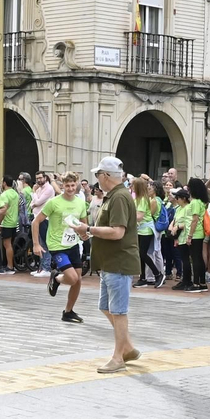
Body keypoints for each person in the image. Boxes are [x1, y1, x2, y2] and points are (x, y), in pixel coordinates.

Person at [83, 158, 140, 373]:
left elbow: (117, 232)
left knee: (118, 311)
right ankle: (128, 348)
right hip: (110, 262)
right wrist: (89, 231)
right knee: (106, 307)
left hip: (119, 262)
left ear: (105, 175)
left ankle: (118, 357)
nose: (96, 179)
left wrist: (89, 230)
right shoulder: (114, 196)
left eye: (98, 174)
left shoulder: (119, 197)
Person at [35, 173, 89, 321]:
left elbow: (83, 224)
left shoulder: (80, 203)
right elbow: (36, 222)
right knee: (72, 278)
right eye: (67, 186)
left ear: (76, 185)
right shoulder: (54, 202)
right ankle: (57, 278)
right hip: (57, 245)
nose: (70, 188)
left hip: (72, 244)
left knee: (78, 280)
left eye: (73, 185)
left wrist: (84, 234)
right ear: (62, 185)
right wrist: (36, 244)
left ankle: (68, 312)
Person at [131, 176, 164, 288]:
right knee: (140, 254)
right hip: (140, 229)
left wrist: (127, 217)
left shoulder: (143, 200)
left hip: (146, 229)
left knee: (142, 254)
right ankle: (143, 278)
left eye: (133, 185)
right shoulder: (137, 199)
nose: (131, 187)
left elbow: (139, 216)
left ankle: (157, 274)